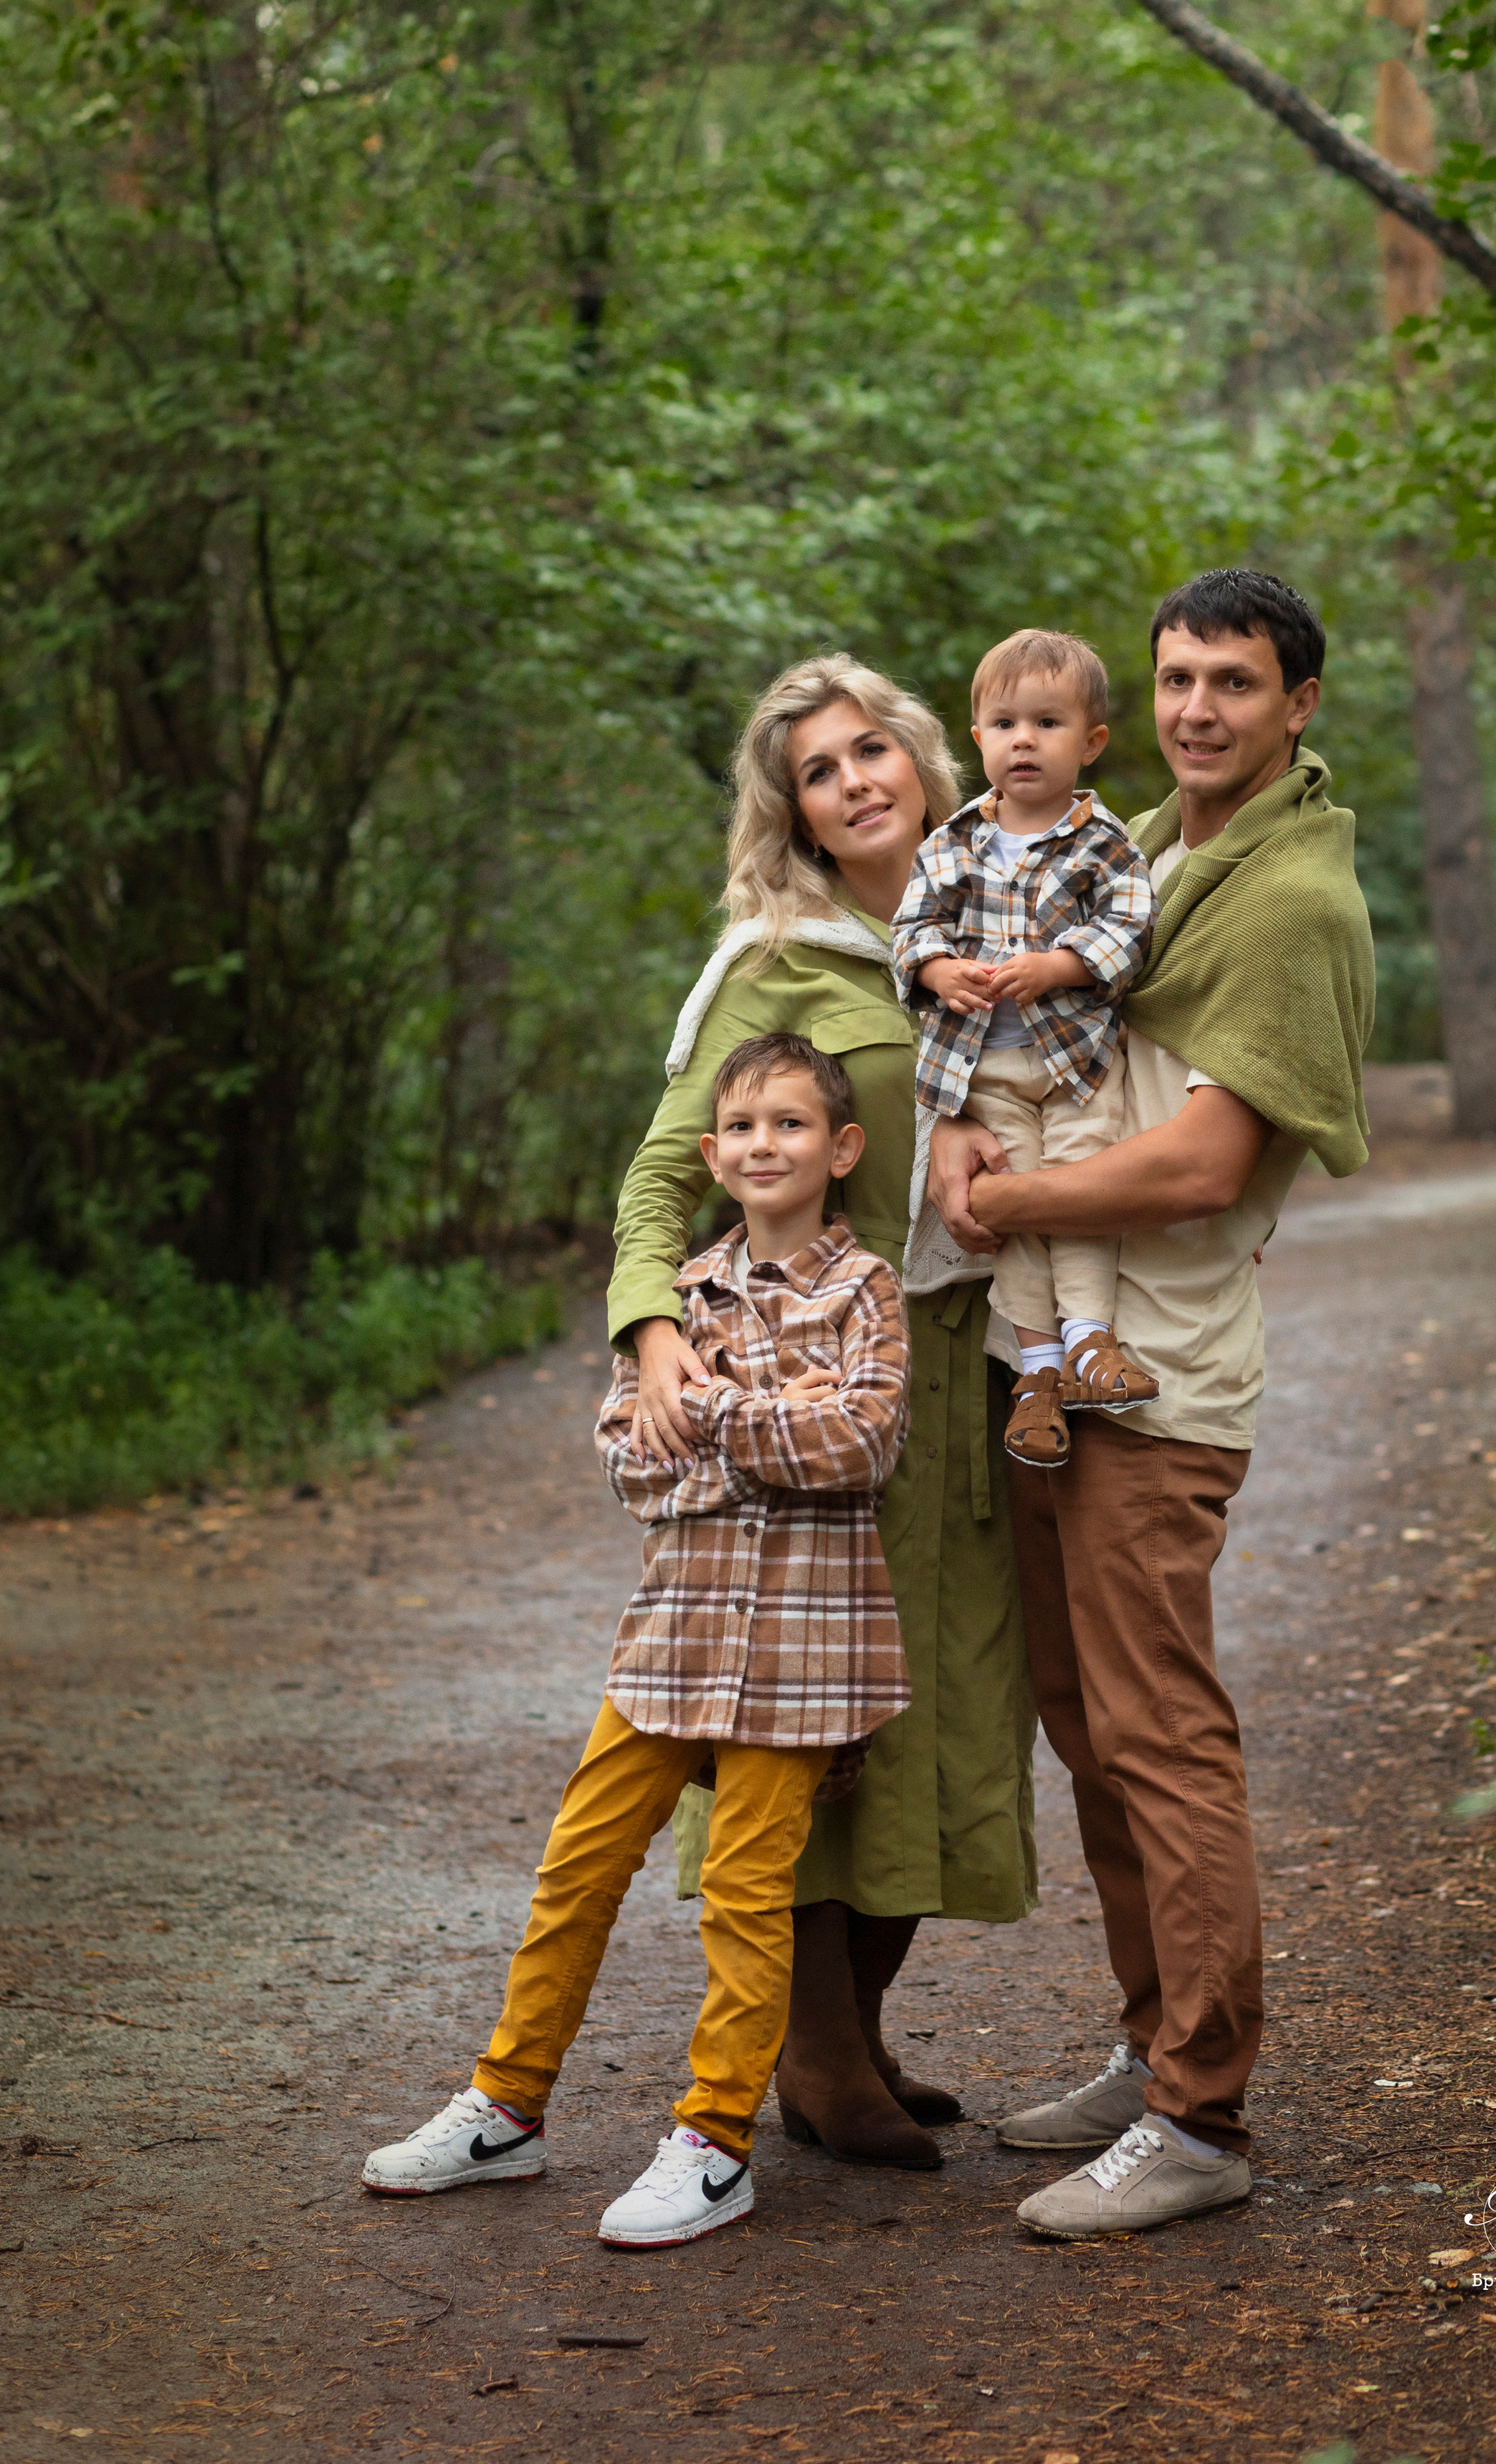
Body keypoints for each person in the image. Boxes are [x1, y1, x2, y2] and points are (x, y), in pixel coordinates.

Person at [928, 569, 1375, 2241]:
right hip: (1055, 1358)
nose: (1197, 706)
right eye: (1178, 676)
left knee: (1158, 1729)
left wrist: (1005, 1206)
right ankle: (1150, 2037)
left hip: (1157, 1371)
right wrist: (967, 1128)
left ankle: (1198, 2111)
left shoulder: (1286, 899)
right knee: (1084, 1713)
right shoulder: (1162, 856)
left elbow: (1196, 1162)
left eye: (1234, 683)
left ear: (1297, 704)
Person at [360, 1032, 914, 2247]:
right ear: (712, 1156)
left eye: (793, 1125)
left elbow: (864, 1447)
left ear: (842, 1148)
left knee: (745, 1891)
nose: (767, 1144)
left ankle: (716, 2143)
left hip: (802, 1655)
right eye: (747, 1128)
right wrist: (766, 1423)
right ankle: (506, 2107)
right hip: (670, 1638)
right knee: (578, 1866)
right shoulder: (678, 1302)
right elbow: (629, 1462)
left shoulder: (865, 1290)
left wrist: (710, 1411)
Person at [607, 654, 1038, 2172]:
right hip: (807, 1400)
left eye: (871, 750)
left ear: (918, 758)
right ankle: (808, 2054)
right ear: (789, 811)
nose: (855, 781)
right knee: (797, 1712)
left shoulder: (1000, 927)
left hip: (964, 1378)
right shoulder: (769, 967)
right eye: (817, 770)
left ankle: (853, 2033)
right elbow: (669, 1172)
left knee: (939, 1708)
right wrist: (651, 1329)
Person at [890, 629, 1160, 1472]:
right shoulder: (952, 844)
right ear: (978, 740)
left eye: (1048, 723)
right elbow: (911, 927)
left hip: (1075, 1065)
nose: (1024, 740)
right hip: (982, 1073)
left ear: (1091, 743)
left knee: (1073, 1196)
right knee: (1014, 1215)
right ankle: (1038, 1371)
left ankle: (1091, 1342)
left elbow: (1131, 927)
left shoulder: (1104, 842)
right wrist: (937, 969)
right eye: (1004, 723)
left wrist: (1062, 964)